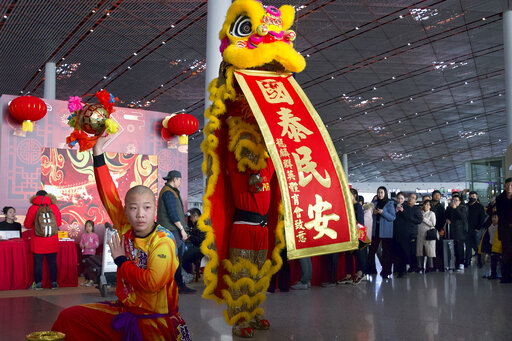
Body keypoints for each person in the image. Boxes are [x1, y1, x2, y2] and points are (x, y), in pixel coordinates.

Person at [52, 136, 191, 340]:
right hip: (125, 311)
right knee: (69, 317)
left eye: (146, 208)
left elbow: (152, 282)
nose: (140, 214)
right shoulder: (126, 226)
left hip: (154, 320)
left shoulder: (163, 240)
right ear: (126, 211)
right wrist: (97, 152)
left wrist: (121, 261)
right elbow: (108, 193)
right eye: (133, 208)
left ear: (154, 209)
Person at [157, 170, 195, 294]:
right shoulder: (168, 192)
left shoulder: (170, 191)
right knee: (175, 259)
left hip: (171, 230)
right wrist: (182, 230)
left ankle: (175, 285)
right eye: (179, 180)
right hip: (171, 230)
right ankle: (179, 286)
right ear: (174, 179)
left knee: (173, 258)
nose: (180, 182)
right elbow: (172, 214)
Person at [24, 190, 62, 290]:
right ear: (47, 196)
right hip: (52, 240)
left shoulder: (33, 208)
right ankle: (54, 283)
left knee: (38, 263)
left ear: (36, 196)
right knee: (53, 262)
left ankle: (38, 284)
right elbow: (58, 223)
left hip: (38, 241)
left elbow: (27, 225)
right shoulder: (54, 207)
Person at [339, 188, 368, 284]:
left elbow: (360, 223)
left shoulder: (358, 207)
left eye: (349, 194)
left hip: (358, 233)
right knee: (349, 254)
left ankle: (360, 273)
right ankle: (349, 275)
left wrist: (358, 236)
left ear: (354, 195)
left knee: (359, 254)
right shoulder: (348, 206)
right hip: (349, 234)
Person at [368, 186, 396, 279]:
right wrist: (374, 212)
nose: (380, 194)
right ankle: (370, 270)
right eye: (378, 192)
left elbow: (392, 217)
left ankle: (386, 271)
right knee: (372, 251)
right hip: (375, 231)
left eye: (381, 192)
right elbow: (369, 210)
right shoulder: (375, 203)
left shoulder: (390, 203)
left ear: (385, 193)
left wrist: (382, 212)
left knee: (386, 252)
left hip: (386, 232)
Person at [446, 194, 468, 271]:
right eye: (453, 200)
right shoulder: (450, 208)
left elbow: (463, 217)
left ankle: (461, 263)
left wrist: (456, 209)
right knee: (455, 249)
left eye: (456, 200)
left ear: (460, 201)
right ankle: (455, 264)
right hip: (452, 231)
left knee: (460, 248)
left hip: (460, 232)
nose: (454, 202)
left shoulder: (463, 208)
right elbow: (447, 216)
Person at [496, 177, 512, 283]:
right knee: (505, 253)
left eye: (511, 185)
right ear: (505, 186)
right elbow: (500, 215)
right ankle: (506, 276)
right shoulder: (500, 198)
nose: (509, 187)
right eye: (508, 185)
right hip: (505, 229)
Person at [392, 192, 411, 277]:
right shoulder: (393, 207)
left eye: (401, 199)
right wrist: (395, 211)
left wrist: (403, 211)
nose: (400, 200)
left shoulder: (407, 207)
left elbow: (409, 218)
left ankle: (402, 270)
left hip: (404, 232)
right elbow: (391, 217)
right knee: (396, 251)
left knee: (404, 251)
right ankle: (396, 269)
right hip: (395, 232)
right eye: (398, 198)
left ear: (404, 199)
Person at [182, 208, 205, 276]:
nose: (190, 219)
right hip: (197, 246)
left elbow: (200, 239)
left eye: (191, 217)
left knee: (183, 254)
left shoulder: (201, 225)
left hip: (199, 249)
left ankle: (188, 274)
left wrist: (189, 237)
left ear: (196, 216)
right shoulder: (197, 223)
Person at [466, 191, 486, 268]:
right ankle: (467, 261)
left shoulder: (479, 206)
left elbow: (482, 218)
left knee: (477, 246)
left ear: (477, 197)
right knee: (468, 246)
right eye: (471, 196)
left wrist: (478, 228)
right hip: (468, 229)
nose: (472, 198)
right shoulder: (466, 206)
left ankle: (479, 261)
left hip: (476, 229)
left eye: (474, 196)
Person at [417, 200, 436, 273]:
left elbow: (433, 224)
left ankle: (430, 266)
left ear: (430, 206)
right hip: (420, 233)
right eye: (425, 204)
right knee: (419, 251)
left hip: (428, 234)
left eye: (428, 205)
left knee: (429, 251)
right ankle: (420, 266)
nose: (426, 206)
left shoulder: (432, 214)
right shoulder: (420, 213)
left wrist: (424, 219)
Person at [79, 220, 100, 286]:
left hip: (91, 254)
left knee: (90, 267)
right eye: (86, 226)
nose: (88, 228)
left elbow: (96, 244)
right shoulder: (83, 235)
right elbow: (81, 243)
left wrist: (90, 246)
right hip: (84, 253)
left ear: (93, 227)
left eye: (90, 226)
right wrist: (83, 246)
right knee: (85, 267)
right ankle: (86, 280)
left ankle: (91, 281)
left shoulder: (95, 236)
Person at [406, 193, 423, 272]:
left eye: (413, 198)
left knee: (413, 251)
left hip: (413, 233)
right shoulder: (405, 207)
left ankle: (414, 266)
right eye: (410, 197)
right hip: (404, 233)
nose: (411, 199)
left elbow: (419, 220)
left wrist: (411, 219)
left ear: (415, 200)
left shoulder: (416, 209)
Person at [431, 190, 446, 271]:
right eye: (435, 195)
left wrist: (440, 229)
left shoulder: (441, 206)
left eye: (438, 195)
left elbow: (443, 219)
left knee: (439, 248)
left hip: (439, 229)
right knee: (431, 248)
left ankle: (440, 266)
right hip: (430, 229)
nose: (437, 196)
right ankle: (432, 266)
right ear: (432, 196)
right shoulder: (429, 205)